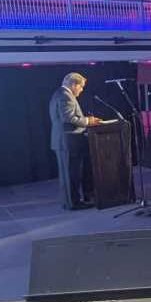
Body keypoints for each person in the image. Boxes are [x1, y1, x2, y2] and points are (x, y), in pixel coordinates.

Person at [49, 72, 101, 209]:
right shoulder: (66, 96)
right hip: (69, 141)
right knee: (72, 175)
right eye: (81, 87)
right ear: (74, 84)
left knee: (67, 176)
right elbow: (69, 118)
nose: (81, 90)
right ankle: (74, 203)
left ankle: (69, 203)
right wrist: (88, 121)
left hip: (62, 141)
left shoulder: (58, 93)